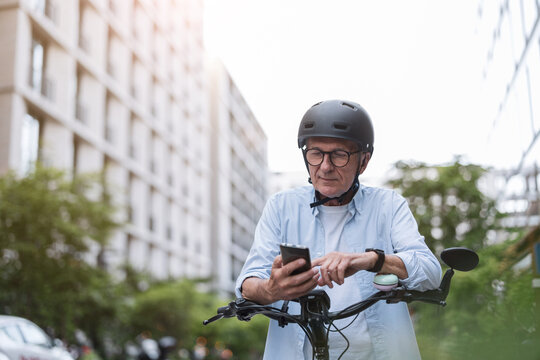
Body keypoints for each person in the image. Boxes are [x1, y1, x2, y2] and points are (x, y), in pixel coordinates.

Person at [235, 99, 442, 359]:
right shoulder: (281, 206)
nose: (325, 166)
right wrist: (271, 289)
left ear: (363, 162)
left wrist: (372, 260)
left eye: (339, 155)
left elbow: (431, 272)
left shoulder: (389, 206)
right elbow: (247, 282)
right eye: (316, 153)